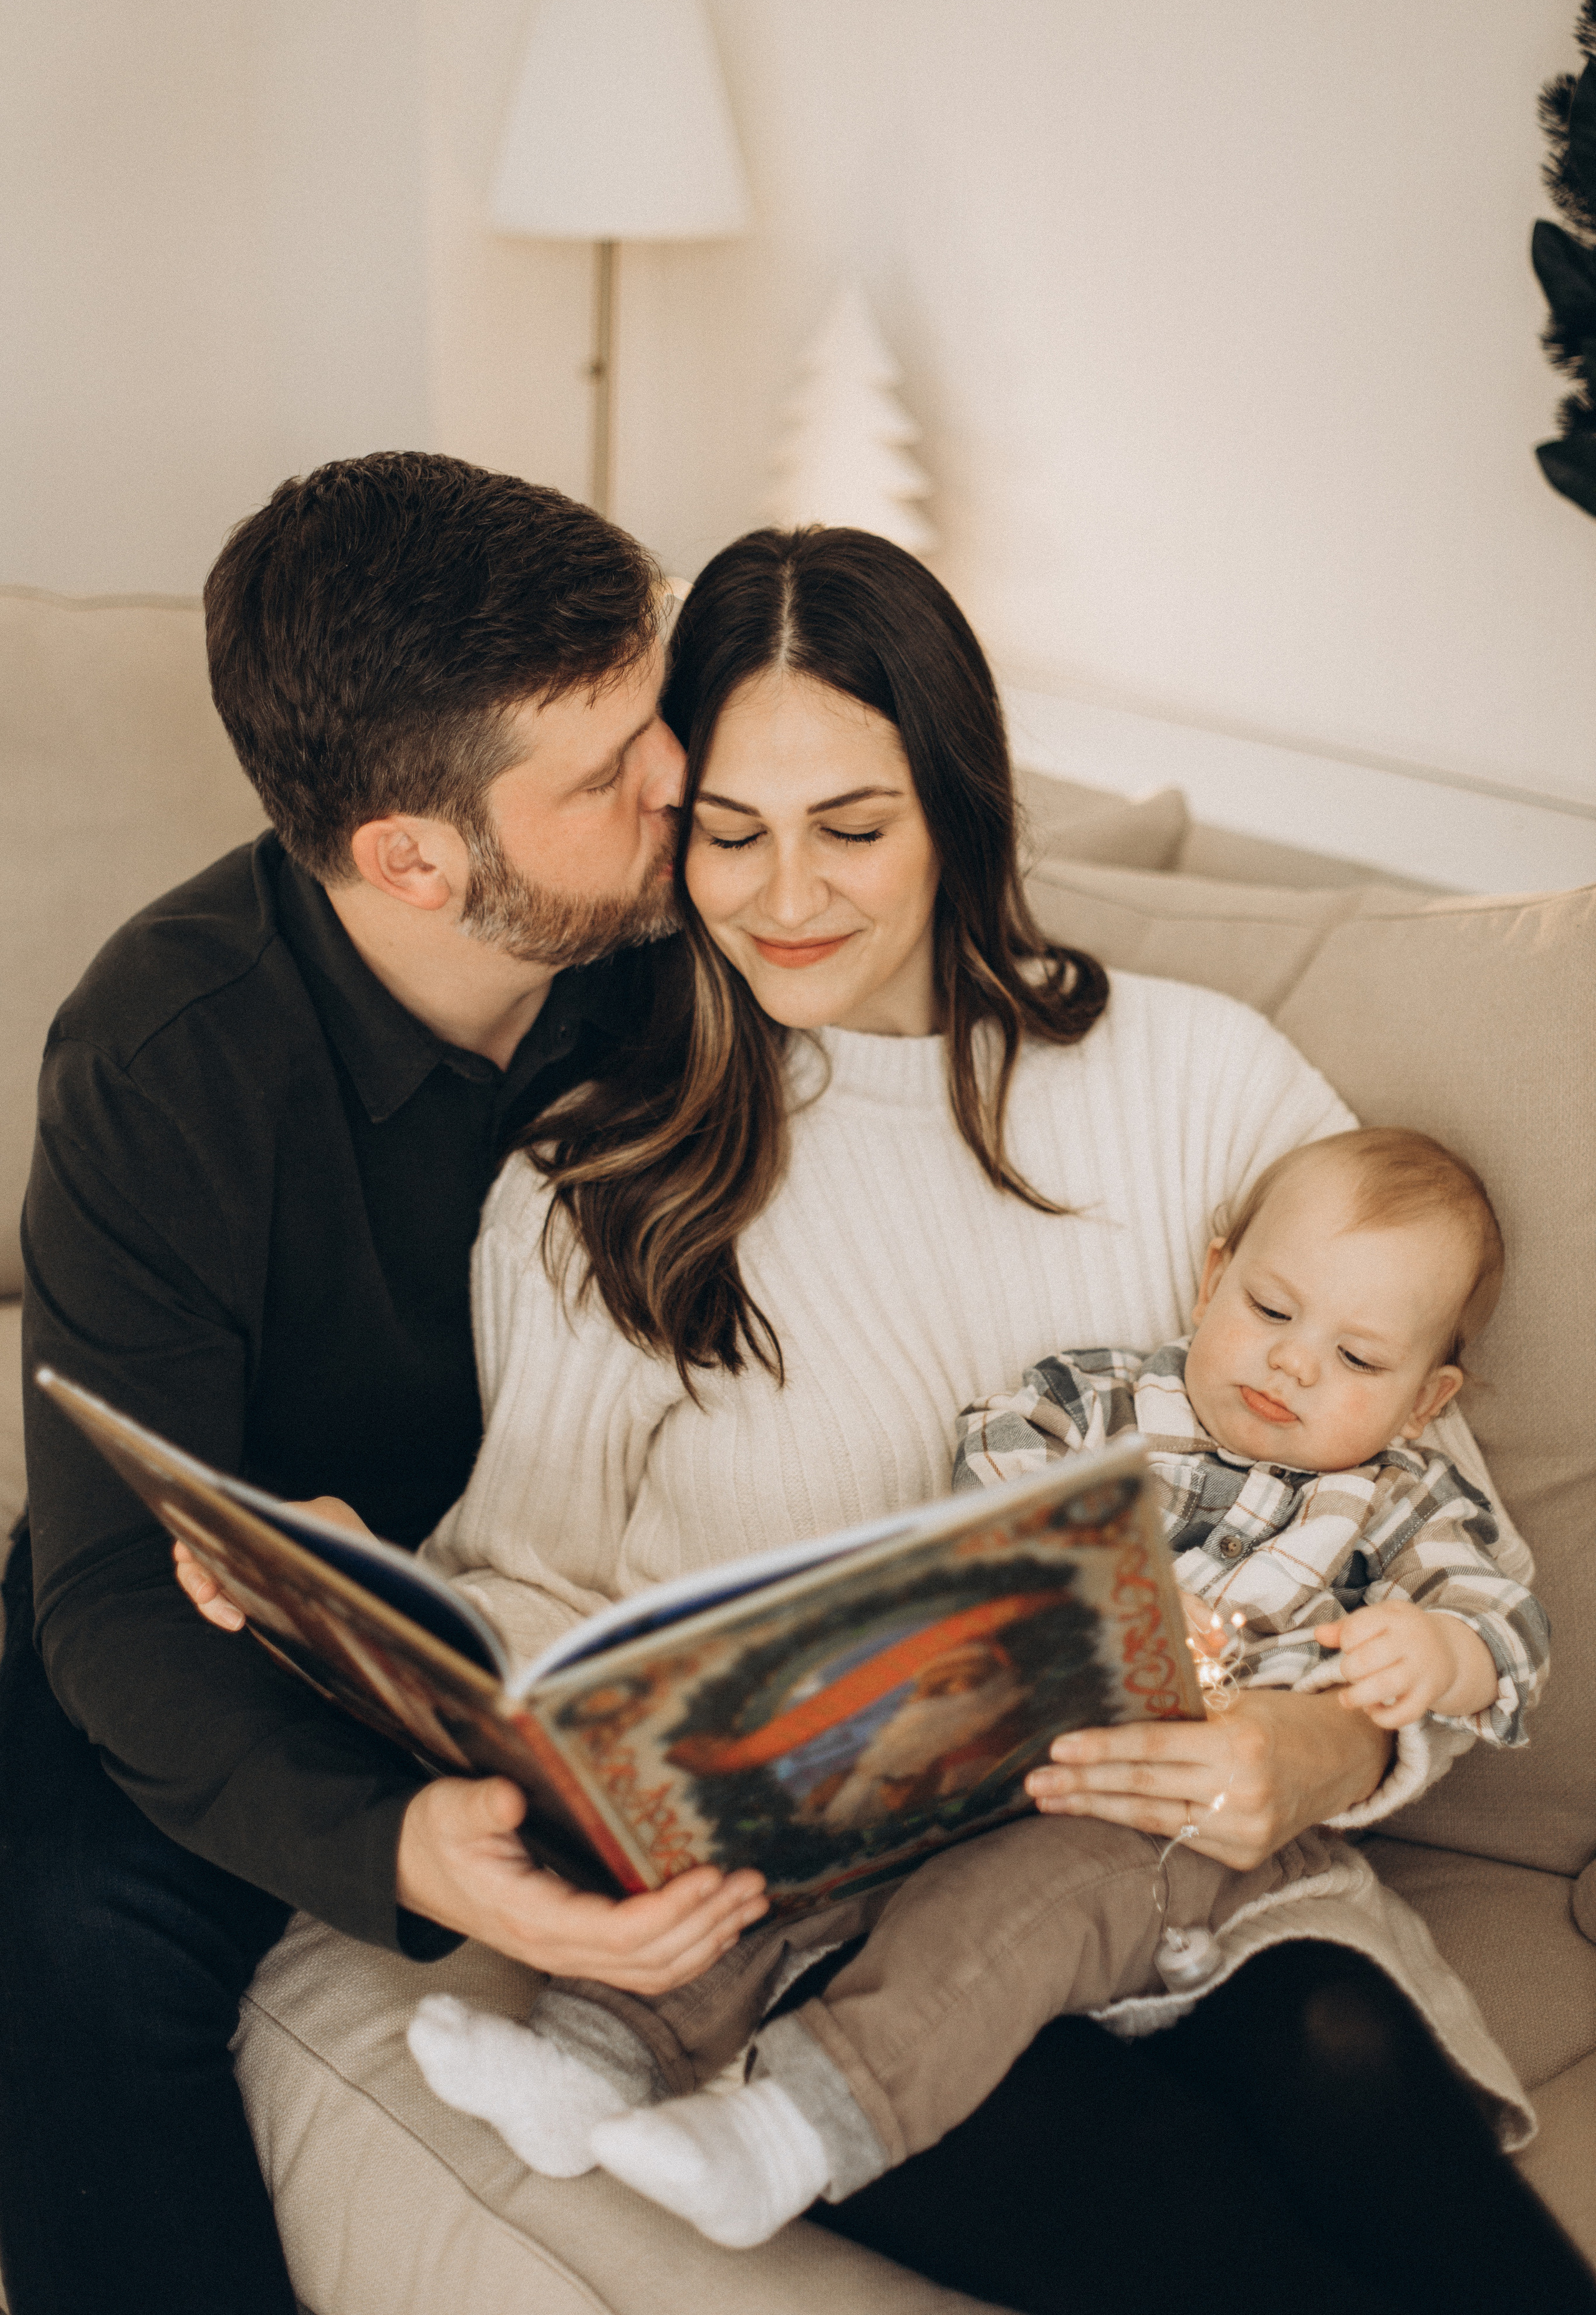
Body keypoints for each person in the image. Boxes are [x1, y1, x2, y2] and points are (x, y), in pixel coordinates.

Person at [368, 524, 1592, 2313]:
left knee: (1340, 2047)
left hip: (1200, 1873)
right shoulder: (596, 1192)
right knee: (1146, 2194)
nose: (788, 893)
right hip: (846, 1918)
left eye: (853, 826)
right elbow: (531, 1593)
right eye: (731, 829)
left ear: (959, 807)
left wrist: (1321, 1750)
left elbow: (1425, 1506)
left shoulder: (1202, 1083)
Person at [0, 453, 766, 2315]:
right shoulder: (160, 1057)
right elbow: (110, 1581)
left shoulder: (706, 945)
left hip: (598, 1602)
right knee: (65, 1941)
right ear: (412, 858)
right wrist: (395, 1843)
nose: (684, 779)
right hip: (264, 1622)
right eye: (605, 771)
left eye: (654, 713)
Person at [406, 1124, 1548, 2249]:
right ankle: (592, 2054)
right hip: (993, 1749)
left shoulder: (1401, 1503)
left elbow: (1502, 1621)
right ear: (1213, 1276)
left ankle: (798, 2127)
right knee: (786, 1828)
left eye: (1358, 1360)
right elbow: (993, 1502)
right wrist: (1100, 1585)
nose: (1295, 1364)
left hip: (1177, 1830)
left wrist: (1436, 1652)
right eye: (1272, 1311)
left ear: (1425, 1398)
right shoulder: (1095, 1402)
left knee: (1004, 1906)